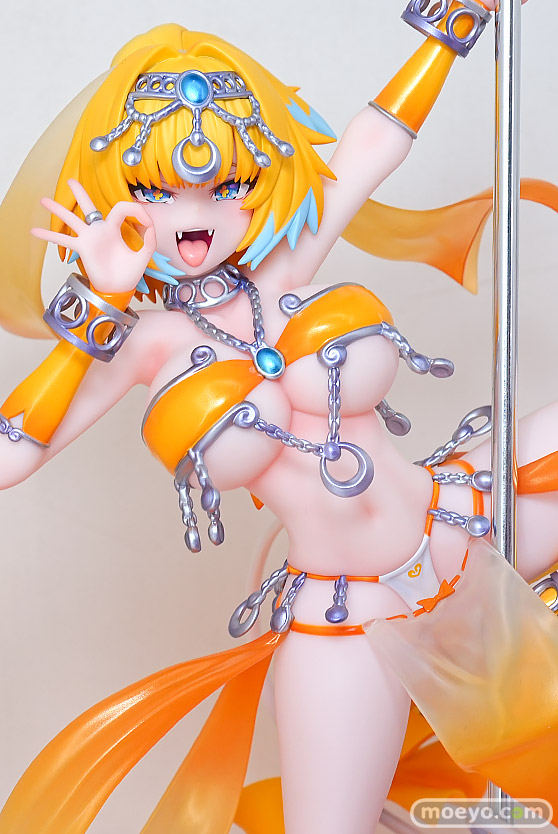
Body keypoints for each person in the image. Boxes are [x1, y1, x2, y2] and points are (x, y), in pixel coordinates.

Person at [2, 7, 558, 834]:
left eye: (224, 185)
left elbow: (373, 142)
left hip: (465, 521)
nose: (193, 215)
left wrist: (454, 22)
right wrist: (97, 303)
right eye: (156, 191)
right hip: (343, 621)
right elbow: (11, 456)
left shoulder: (287, 263)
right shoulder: (143, 343)